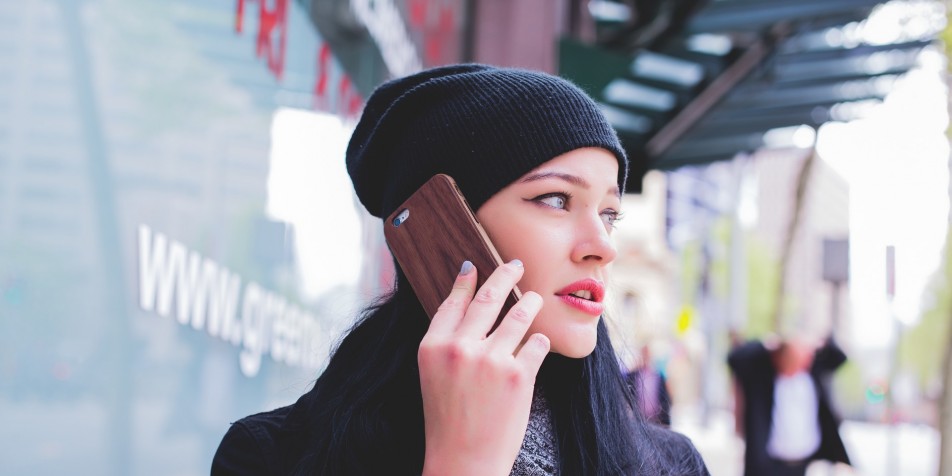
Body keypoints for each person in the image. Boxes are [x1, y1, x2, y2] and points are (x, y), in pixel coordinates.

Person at [212, 64, 710, 476]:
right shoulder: (272, 458)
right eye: (556, 199)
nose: (603, 247)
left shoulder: (670, 464)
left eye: (609, 214)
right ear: (443, 227)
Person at [727, 334, 851, 476]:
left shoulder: (812, 372)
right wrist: (765, 344)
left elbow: (840, 357)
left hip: (802, 462)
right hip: (766, 464)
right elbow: (734, 358)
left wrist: (819, 341)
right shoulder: (762, 374)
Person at [625, 345, 672, 426]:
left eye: (647, 354)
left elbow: (665, 399)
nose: (646, 357)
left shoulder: (658, 376)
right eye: (644, 354)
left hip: (656, 420)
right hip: (638, 420)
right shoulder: (633, 375)